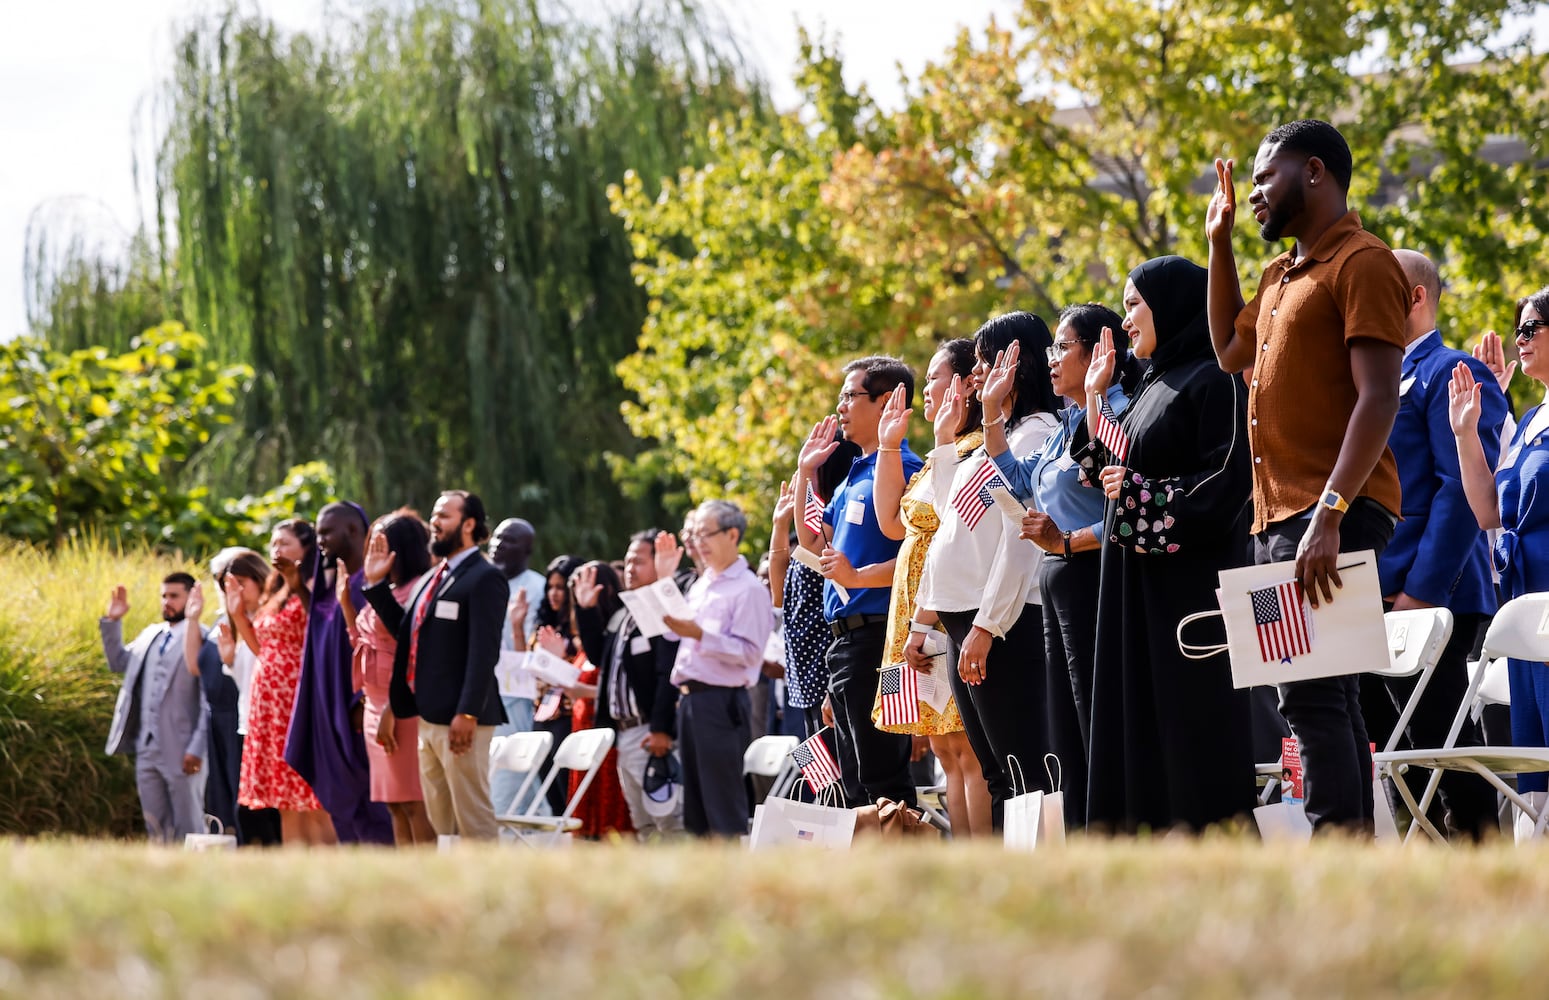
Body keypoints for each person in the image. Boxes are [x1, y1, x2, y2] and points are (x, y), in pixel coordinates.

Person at [1207, 119, 1410, 834]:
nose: (1255, 193)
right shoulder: (1278, 275)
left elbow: (1378, 397)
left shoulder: (1364, 262)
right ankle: (1350, 847)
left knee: (1313, 695)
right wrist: (1219, 242)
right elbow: (1229, 352)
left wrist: (1328, 513)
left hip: (1329, 512)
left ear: (1315, 172)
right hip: (1277, 519)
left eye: (1266, 177)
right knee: (1315, 696)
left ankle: (1337, 847)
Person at [1086, 255, 1257, 833]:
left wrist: (1138, 497)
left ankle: (1206, 844)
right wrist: (1095, 399)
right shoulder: (1154, 383)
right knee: (1138, 722)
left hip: (1188, 594)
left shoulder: (1217, 377)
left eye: (1135, 304)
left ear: (1172, 305)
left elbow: (1229, 480)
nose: (1126, 318)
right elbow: (1114, 469)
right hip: (1138, 592)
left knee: (1189, 728)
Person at [1368, 250, 1505, 840]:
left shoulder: (1452, 371)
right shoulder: (1377, 375)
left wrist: (1420, 592)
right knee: (1393, 747)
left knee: (1440, 739)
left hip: (1429, 592)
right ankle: (1421, 848)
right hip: (1374, 588)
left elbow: (1460, 495)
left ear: (1416, 298)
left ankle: (1479, 846)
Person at [982, 305, 1136, 829]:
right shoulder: (1066, 424)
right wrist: (989, 415)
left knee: (1098, 715)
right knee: (1066, 721)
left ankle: (1111, 827)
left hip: (1097, 577)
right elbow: (1021, 484)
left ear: (1098, 352)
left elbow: (1128, 504)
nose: (1052, 360)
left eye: (1063, 347)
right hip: (1060, 580)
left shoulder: (1113, 414)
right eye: (1050, 350)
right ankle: (1082, 832)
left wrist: (1067, 541)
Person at [909, 315, 1061, 827]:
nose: (974, 374)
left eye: (983, 360)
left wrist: (986, 626)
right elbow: (950, 513)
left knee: (1020, 769)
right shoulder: (999, 436)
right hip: (961, 619)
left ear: (1014, 365)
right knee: (997, 771)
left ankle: (1035, 879)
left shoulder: (1039, 433)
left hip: (999, 623)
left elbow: (1023, 543)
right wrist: (946, 439)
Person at [871, 338, 993, 837]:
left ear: (966, 384)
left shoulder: (976, 447)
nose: (924, 389)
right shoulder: (936, 455)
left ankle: (980, 855)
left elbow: (959, 534)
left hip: (945, 609)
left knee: (966, 746)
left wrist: (934, 621)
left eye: (936, 376)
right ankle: (962, 855)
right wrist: (887, 444)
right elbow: (891, 525)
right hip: (912, 613)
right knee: (943, 748)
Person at [794, 356, 922, 808]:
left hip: (882, 638)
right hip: (844, 644)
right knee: (852, 780)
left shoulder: (905, 469)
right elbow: (810, 542)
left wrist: (857, 576)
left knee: (883, 773)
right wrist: (806, 473)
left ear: (886, 401)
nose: (841, 406)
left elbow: (917, 556)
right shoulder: (853, 473)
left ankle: (902, 865)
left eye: (851, 396)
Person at [1450, 285, 1549, 840]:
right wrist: (1466, 432)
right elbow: (1489, 510)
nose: (1520, 339)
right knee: (1533, 772)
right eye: (1518, 329)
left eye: (1532, 328)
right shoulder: (1534, 418)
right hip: (1525, 611)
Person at [363, 490, 509, 841]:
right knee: (442, 825)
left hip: (462, 720)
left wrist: (468, 712)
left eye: (444, 516)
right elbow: (407, 635)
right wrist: (376, 585)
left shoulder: (484, 577)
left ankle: (492, 894)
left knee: (473, 819)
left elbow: (483, 653)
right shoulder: (434, 578)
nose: (435, 522)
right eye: (434, 515)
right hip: (429, 719)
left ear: (469, 524)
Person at [663, 500, 776, 836]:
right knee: (695, 807)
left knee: (722, 805)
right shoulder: (702, 584)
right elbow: (673, 630)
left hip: (721, 702)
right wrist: (663, 580)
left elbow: (749, 653)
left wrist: (699, 634)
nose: (698, 542)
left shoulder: (749, 589)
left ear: (731, 534)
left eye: (705, 534)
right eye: (695, 534)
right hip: (690, 701)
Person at [288, 501, 394, 844]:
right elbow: (323, 638)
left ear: (352, 531)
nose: (319, 539)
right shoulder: (335, 587)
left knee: (375, 813)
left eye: (325, 531)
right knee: (348, 818)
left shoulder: (373, 585)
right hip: (331, 719)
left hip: (364, 716)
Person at [573, 531, 684, 837]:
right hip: (624, 734)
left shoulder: (666, 610)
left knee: (669, 820)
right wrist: (585, 611)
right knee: (643, 823)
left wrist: (661, 728)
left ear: (658, 563)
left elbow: (667, 673)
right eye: (628, 561)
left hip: (650, 731)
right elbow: (599, 658)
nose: (631, 568)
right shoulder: (626, 613)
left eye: (639, 561)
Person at [233, 519, 335, 846]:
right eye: (273, 544)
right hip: (269, 704)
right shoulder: (274, 591)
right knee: (285, 798)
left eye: (284, 543)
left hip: (299, 698)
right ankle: (296, 865)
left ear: (306, 548)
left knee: (310, 794)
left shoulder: (320, 584)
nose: (276, 550)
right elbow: (263, 647)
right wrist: (237, 615)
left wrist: (297, 582)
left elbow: (323, 628)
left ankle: (333, 861)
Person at [100, 572, 212, 842]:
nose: (167, 602)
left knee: (189, 825)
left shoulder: (204, 637)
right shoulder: (151, 635)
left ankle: (196, 877)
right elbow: (118, 663)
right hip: (146, 747)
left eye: (174, 596)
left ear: (191, 598)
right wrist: (113, 621)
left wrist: (197, 748)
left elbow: (208, 699)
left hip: (184, 749)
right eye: (164, 596)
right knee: (155, 825)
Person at [352, 511, 438, 846]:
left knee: (415, 801)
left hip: (402, 705)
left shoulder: (421, 588)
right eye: (370, 542)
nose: (372, 550)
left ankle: (428, 879)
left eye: (381, 544)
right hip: (374, 704)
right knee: (394, 805)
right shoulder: (385, 588)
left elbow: (413, 648)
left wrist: (393, 707)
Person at [769, 434, 861, 741]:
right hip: (802, 679)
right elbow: (778, 593)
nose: (801, 479)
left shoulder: (834, 531)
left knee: (842, 779)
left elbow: (813, 555)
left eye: (812, 468)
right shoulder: (807, 536)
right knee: (820, 783)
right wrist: (779, 526)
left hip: (827, 673)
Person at [545, 560, 635, 839]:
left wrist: (581, 691)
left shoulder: (622, 625)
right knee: (586, 815)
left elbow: (619, 685)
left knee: (612, 814)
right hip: (584, 728)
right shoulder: (591, 633)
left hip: (609, 731)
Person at [207, 547, 283, 845]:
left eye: (242, 582)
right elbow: (248, 681)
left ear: (259, 578)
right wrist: (229, 662)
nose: (235, 591)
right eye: (229, 585)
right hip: (247, 723)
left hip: (272, 723)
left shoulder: (271, 617)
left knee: (267, 806)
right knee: (248, 808)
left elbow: (271, 664)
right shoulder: (234, 623)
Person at [488, 517, 544, 816]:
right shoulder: (483, 581)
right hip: (482, 695)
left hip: (517, 700)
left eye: (508, 541)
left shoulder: (537, 588)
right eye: (496, 537)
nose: (498, 545)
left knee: (511, 780)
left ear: (526, 550)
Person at [181, 574, 241, 840]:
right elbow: (194, 665)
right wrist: (192, 619)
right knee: (217, 797)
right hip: (215, 719)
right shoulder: (218, 622)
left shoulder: (247, 619)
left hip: (238, 717)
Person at [526, 554, 584, 815]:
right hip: (541, 712)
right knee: (548, 786)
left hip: (568, 716)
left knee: (565, 788)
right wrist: (517, 627)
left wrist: (560, 657)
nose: (554, 593)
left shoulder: (581, 628)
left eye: (561, 587)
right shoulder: (544, 625)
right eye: (551, 587)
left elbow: (583, 673)